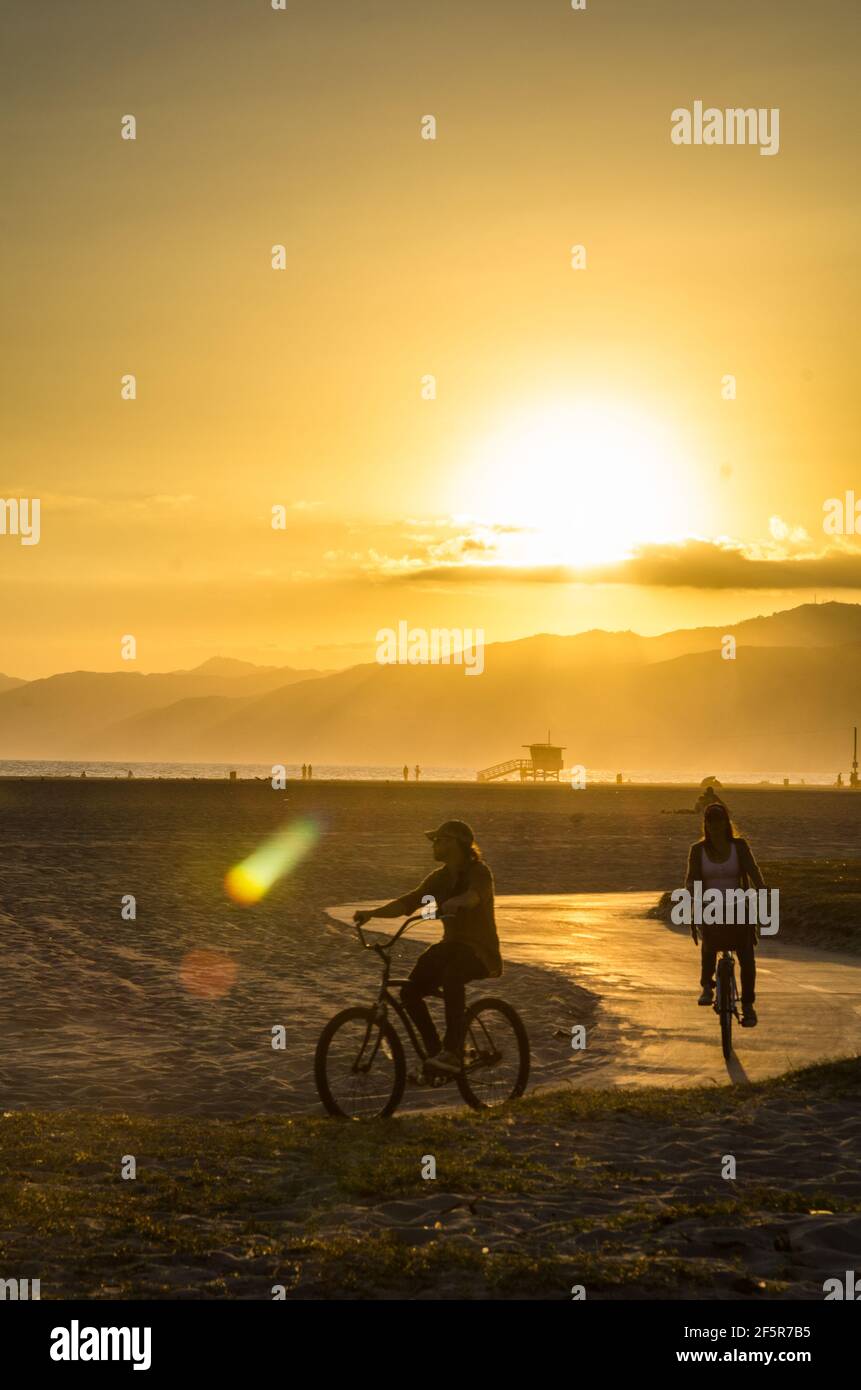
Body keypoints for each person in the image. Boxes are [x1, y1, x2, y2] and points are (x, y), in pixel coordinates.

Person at [353, 820, 501, 1074]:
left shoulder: (479, 871)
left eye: (441, 840)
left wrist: (458, 902)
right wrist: (372, 914)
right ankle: (436, 1056)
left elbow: (475, 895)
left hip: (480, 952)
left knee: (452, 975)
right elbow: (408, 903)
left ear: (458, 843)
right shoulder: (439, 878)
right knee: (410, 992)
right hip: (451, 946)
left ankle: (453, 1052)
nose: (435, 845)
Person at [685, 801, 766, 1028]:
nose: (715, 827)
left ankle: (748, 1005)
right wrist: (692, 893)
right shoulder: (697, 850)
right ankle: (707, 987)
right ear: (706, 825)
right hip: (710, 906)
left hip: (738, 906)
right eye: (710, 823)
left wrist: (762, 887)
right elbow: (691, 878)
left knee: (747, 957)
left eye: (719, 822)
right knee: (709, 945)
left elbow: (752, 869)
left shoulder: (739, 847)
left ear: (725, 824)